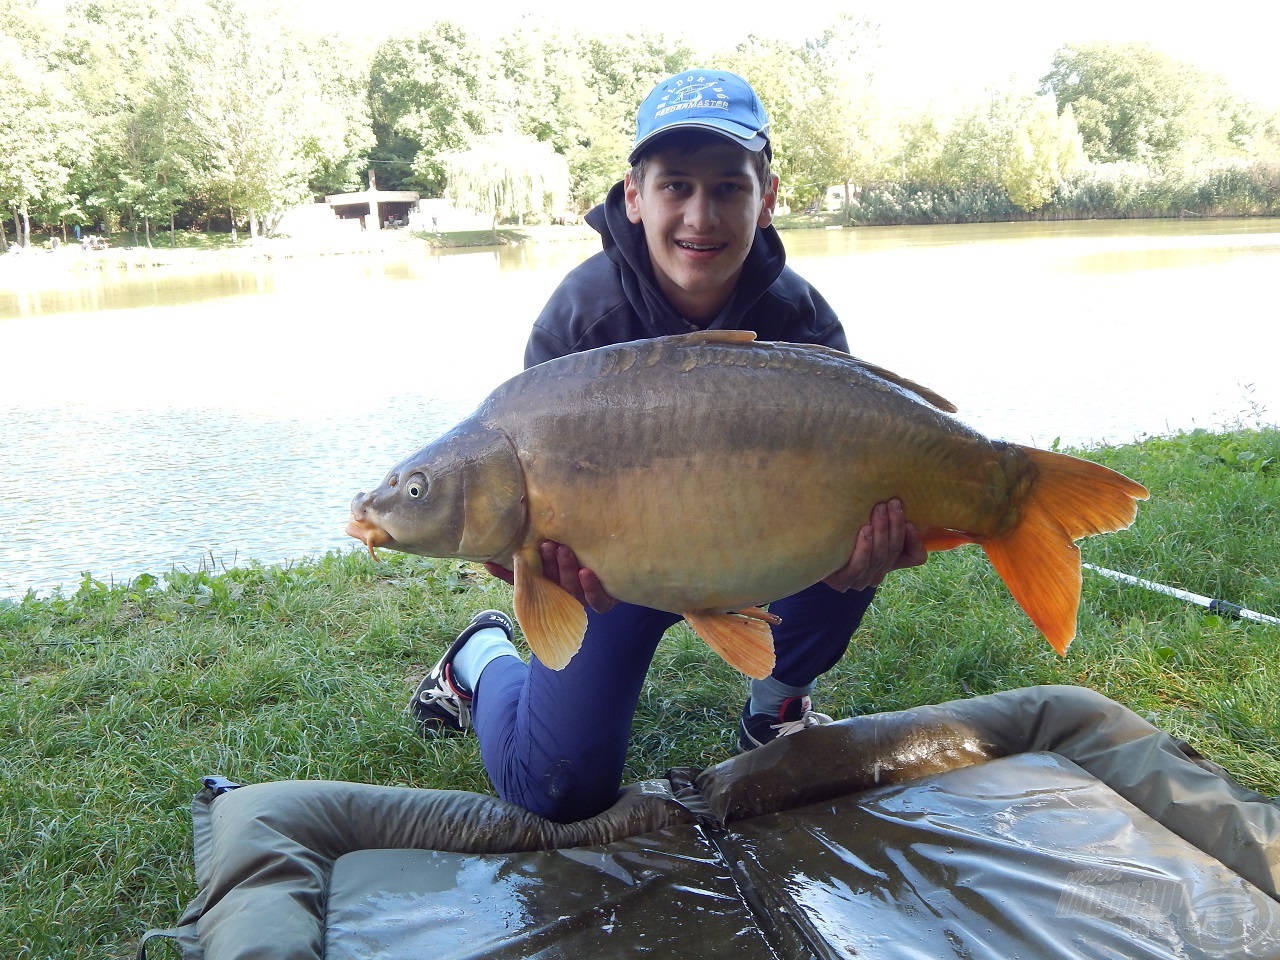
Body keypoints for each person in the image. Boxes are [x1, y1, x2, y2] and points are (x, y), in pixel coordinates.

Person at [408, 69, 926, 823]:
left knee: (863, 515)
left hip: (762, 548)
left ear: (768, 197)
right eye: (675, 186)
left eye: (727, 188)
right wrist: (538, 564)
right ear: (633, 196)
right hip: (623, 571)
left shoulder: (803, 321)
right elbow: (530, 523)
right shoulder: (578, 323)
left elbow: (872, 479)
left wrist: (864, 554)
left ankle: (775, 701)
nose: (700, 214)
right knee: (558, 790)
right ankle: (478, 663)